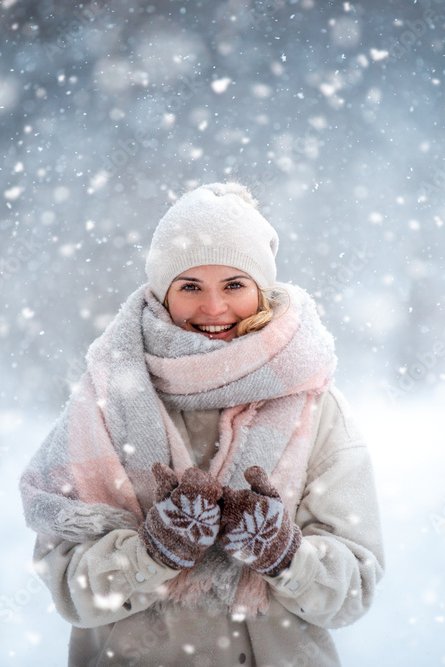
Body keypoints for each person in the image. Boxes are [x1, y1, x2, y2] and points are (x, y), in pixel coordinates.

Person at [19, 182, 384, 666]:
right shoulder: (104, 400)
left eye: (234, 285)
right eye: (191, 286)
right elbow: (67, 586)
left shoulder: (315, 406)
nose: (214, 308)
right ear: (161, 293)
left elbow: (354, 590)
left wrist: (286, 555)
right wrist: (149, 553)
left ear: (261, 290)